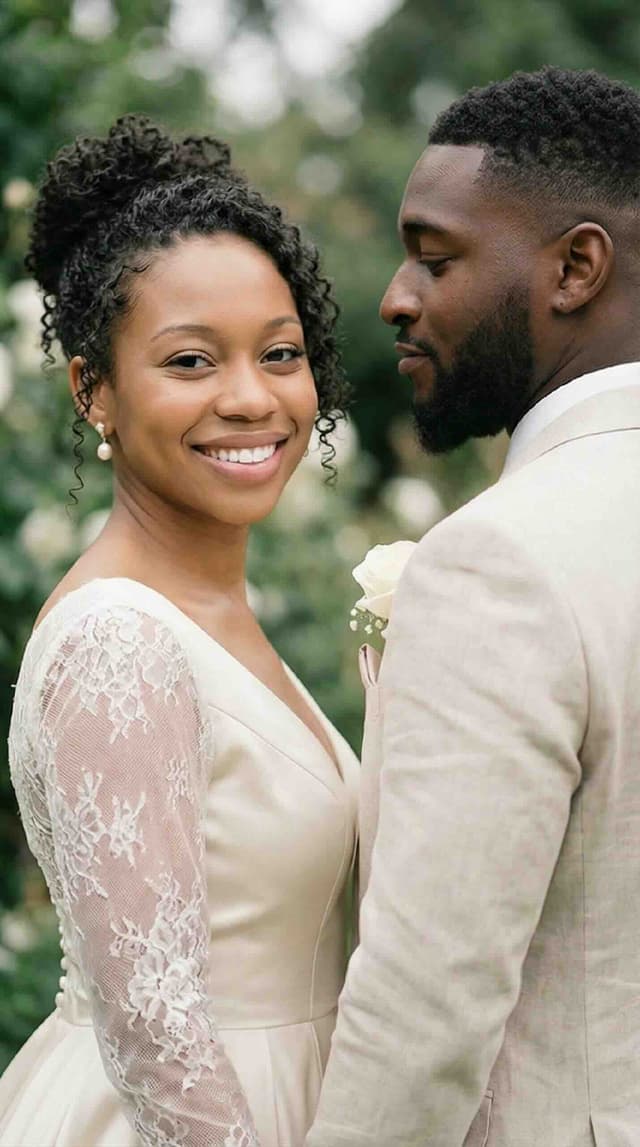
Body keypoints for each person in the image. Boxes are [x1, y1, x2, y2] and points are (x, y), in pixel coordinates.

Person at [0, 115, 358, 1147]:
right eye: (192, 360)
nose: (251, 398)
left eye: (280, 354)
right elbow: (155, 1030)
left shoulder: (210, 613)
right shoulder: (119, 642)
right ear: (93, 390)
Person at [307, 66, 640, 1147]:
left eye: (436, 257)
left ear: (575, 267)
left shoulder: (503, 562)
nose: (397, 297)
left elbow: (425, 1013)